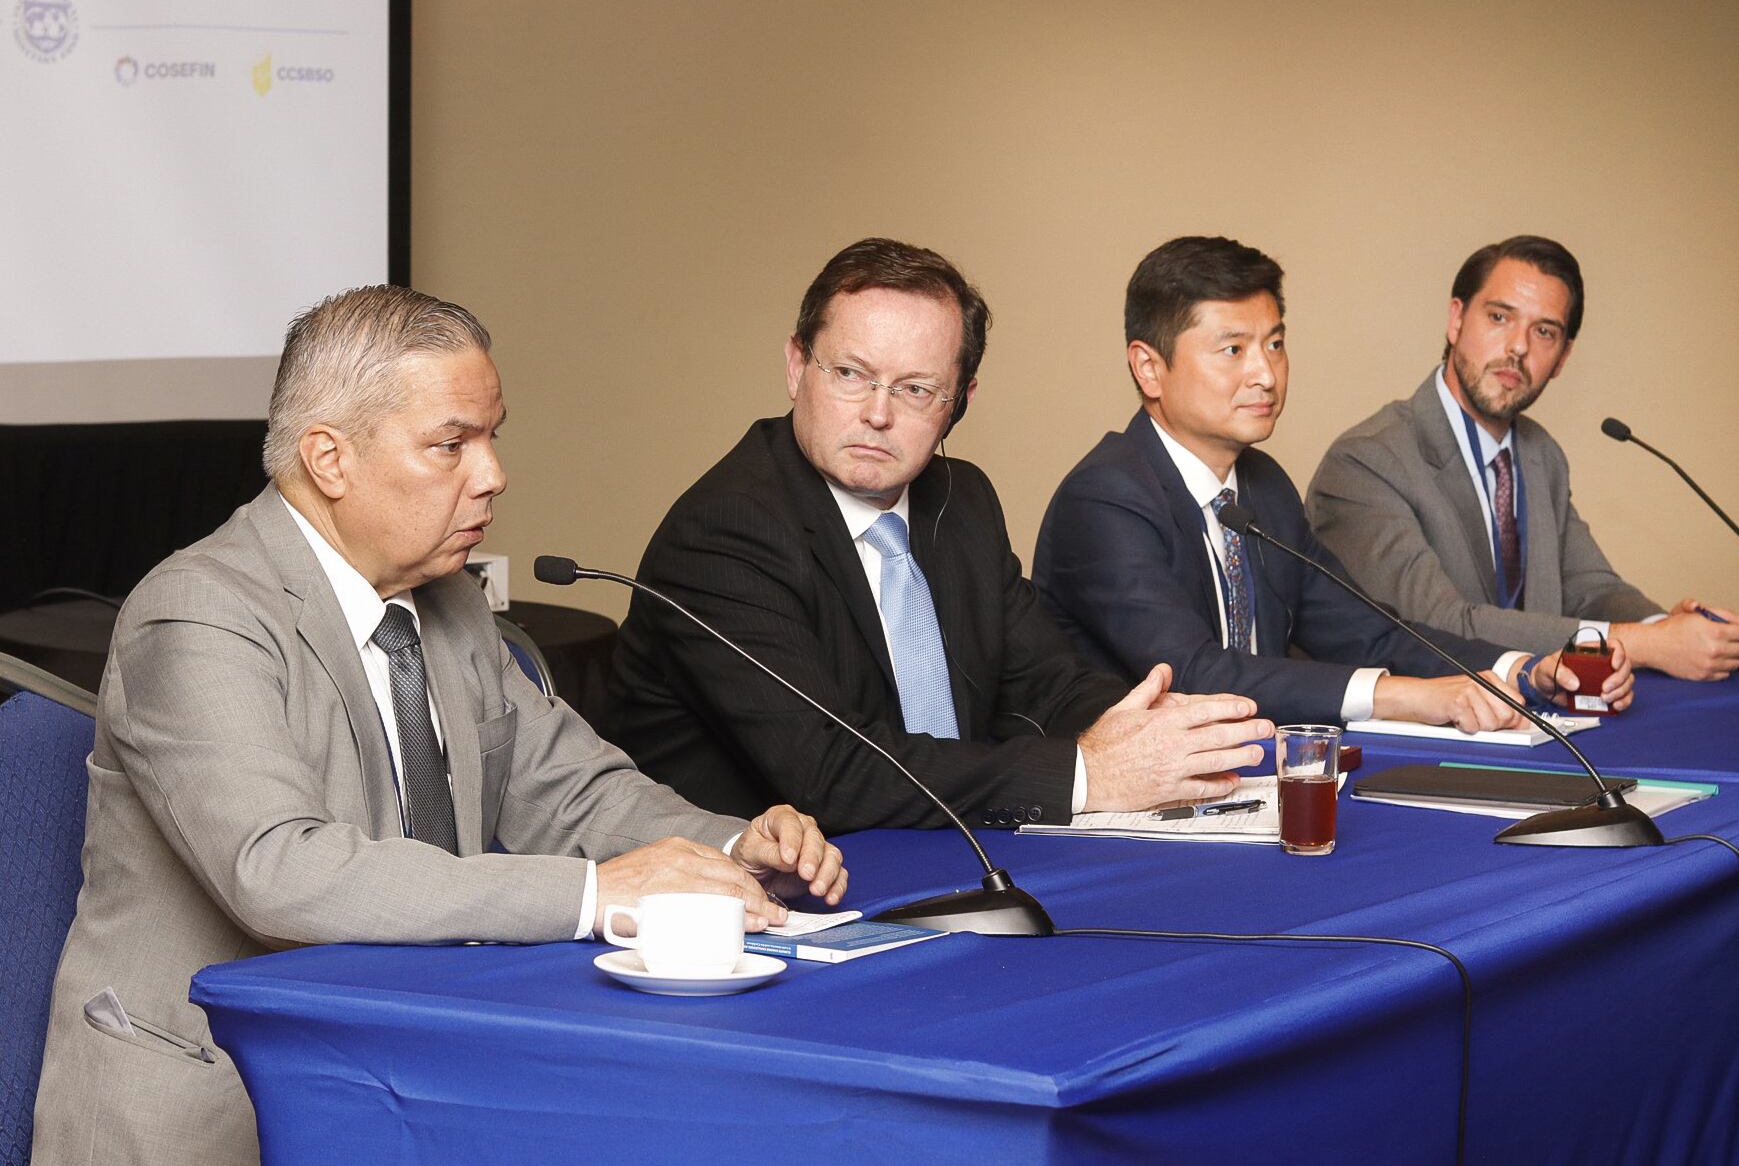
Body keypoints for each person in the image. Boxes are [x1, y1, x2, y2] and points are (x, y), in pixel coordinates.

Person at [32, 286, 849, 1166]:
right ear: (329, 459)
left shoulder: (448, 602)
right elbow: (279, 871)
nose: (492, 473)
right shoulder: (198, 612)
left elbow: (569, 790)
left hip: (404, 1069)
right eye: (451, 444)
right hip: (216, 1102)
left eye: (492, 436)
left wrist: (724, 852)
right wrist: (596, 895)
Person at [603, 238, 1272, 834]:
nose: (876, 414)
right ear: (794, 366)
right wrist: (1089, 773)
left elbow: (1048, 683)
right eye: (848, 374)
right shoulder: (725, 532)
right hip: (774, 892)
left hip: (952, 847)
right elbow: (832, 774)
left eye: (917, 389)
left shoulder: (961, 500)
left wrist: (1165, 732)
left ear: (959, 401)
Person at [1032, 236, 1627, 729]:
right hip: (1117, 817)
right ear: (1149, 367)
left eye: (1275, 344)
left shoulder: (1262, 487)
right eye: (1232, 349)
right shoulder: (1107, 496)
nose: (1265, 374)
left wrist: (1522, 668)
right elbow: (1195, 674)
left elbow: (1368, 632)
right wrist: (1403, 697)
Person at [1305, 235, 1739, 680]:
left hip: (1535, 714)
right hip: (1410, 734)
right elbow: (1437, 626)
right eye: (1500, 317)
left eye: (1544, 332)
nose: (1518, 346)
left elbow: (1590, 589)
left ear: (1562, 358)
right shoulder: (1366, 462)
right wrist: (1643, 645)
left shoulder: (1541, 455)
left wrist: (1664, 627)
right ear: (1456, 320)